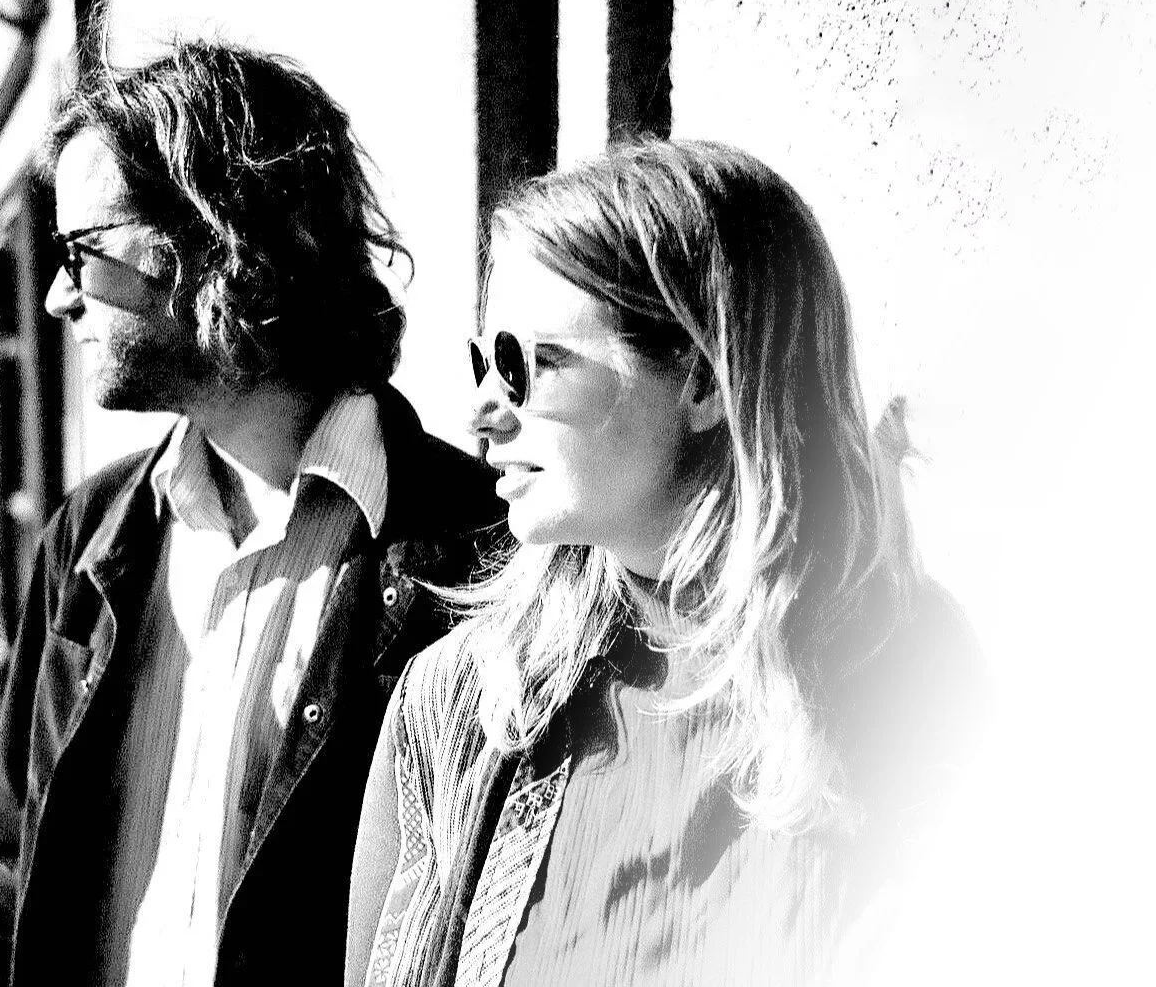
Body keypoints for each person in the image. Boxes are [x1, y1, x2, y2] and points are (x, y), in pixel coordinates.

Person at [345, 140, 981, 986]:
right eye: (483, 363)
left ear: (703, 382)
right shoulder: (463, 706)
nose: (482, 413)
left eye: (527, 364)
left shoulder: (898, 670)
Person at [0, 39, 505, 987]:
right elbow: (5, 892)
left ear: (219, 242)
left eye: (81, 252)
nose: (56, 297)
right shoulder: (88, 538)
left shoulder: (468, 550)